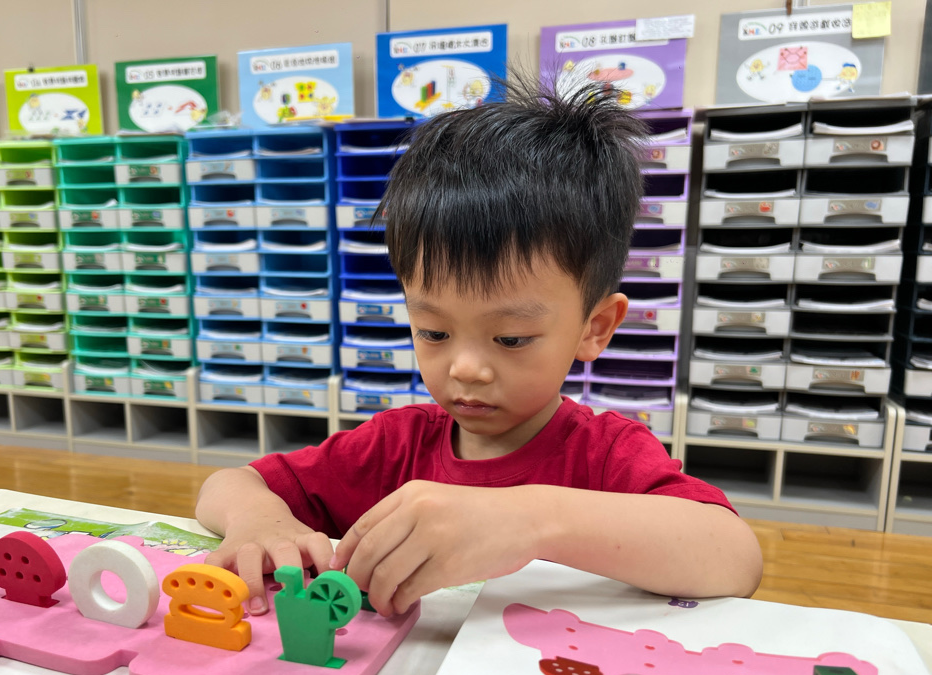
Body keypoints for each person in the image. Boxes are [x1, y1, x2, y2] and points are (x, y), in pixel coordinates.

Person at [195, 77, 764, 617]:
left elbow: (735, 557)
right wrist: (258, 520)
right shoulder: (393, 446)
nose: (465, 369)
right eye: (433, 332)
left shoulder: (605, 454)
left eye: (510, 338)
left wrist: (531, 520)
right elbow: (229, 484)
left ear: (594, 327)